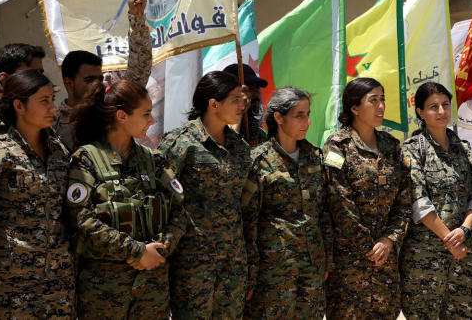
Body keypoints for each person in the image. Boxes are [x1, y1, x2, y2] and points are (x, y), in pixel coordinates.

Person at [66, 79, 187, 318]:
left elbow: (179, 211)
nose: (151, 121)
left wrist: (160, 249)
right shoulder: (87, 159)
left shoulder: (152, 159)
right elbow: (81, 219)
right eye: (145, 114)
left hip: (152, 287)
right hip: (105, 290)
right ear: (122, 116)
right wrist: (136, 251)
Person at [0, 70, 74, 318]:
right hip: (10, 286)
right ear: (19, 105)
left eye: (53, 99)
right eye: (44, 101)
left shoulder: (60, 151)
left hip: (57, 284)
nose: (53, 107)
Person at [158, 71, 252, 319]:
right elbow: (162, 200)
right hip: (193, 262)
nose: (242, 105)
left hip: (232, 261)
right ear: (214, 104)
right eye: (235, 99)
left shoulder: (240, 147)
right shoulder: (180, 143)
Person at [322, 77, 411, 320]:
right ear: (354, 108)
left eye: (382, 100)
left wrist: (389, 240)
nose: (381, 106)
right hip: (350, 263)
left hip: (385, 260)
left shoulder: (391, 146)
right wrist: (368, 247)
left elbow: (404, 199)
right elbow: (339, 201)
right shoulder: (336, 147)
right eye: (373, 101)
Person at [241, 86, 330, 319]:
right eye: (299, 115)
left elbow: (324, 213)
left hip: (312, 268)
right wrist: (250, 273)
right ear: (279, 117)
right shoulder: (258, 162)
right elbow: (248, 222)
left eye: (308, 114)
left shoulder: (315, 157)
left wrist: (327, 260)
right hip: (274, 273)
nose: (307, 122)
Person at [399, 81, 472, 320]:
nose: (441, 112)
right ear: (420, 112)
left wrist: (464, 230)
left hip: (462, 255)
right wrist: (450, 240)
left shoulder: (464, 150)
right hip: (425, 259)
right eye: (433, 106)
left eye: (445, 105)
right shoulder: (412, 150)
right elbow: (418, 201)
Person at [55, 0, 151, 152]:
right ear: (69, 83)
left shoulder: (110, 108)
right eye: (89, 79)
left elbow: (140, 67)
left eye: (99, 78)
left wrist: (137, 16)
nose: (98, 84)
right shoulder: (52, 124)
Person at [224, 62, 269, 147]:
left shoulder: (257, 133)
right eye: (250, 88)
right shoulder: (214, 128)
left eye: (257, 88)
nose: (257, 94)